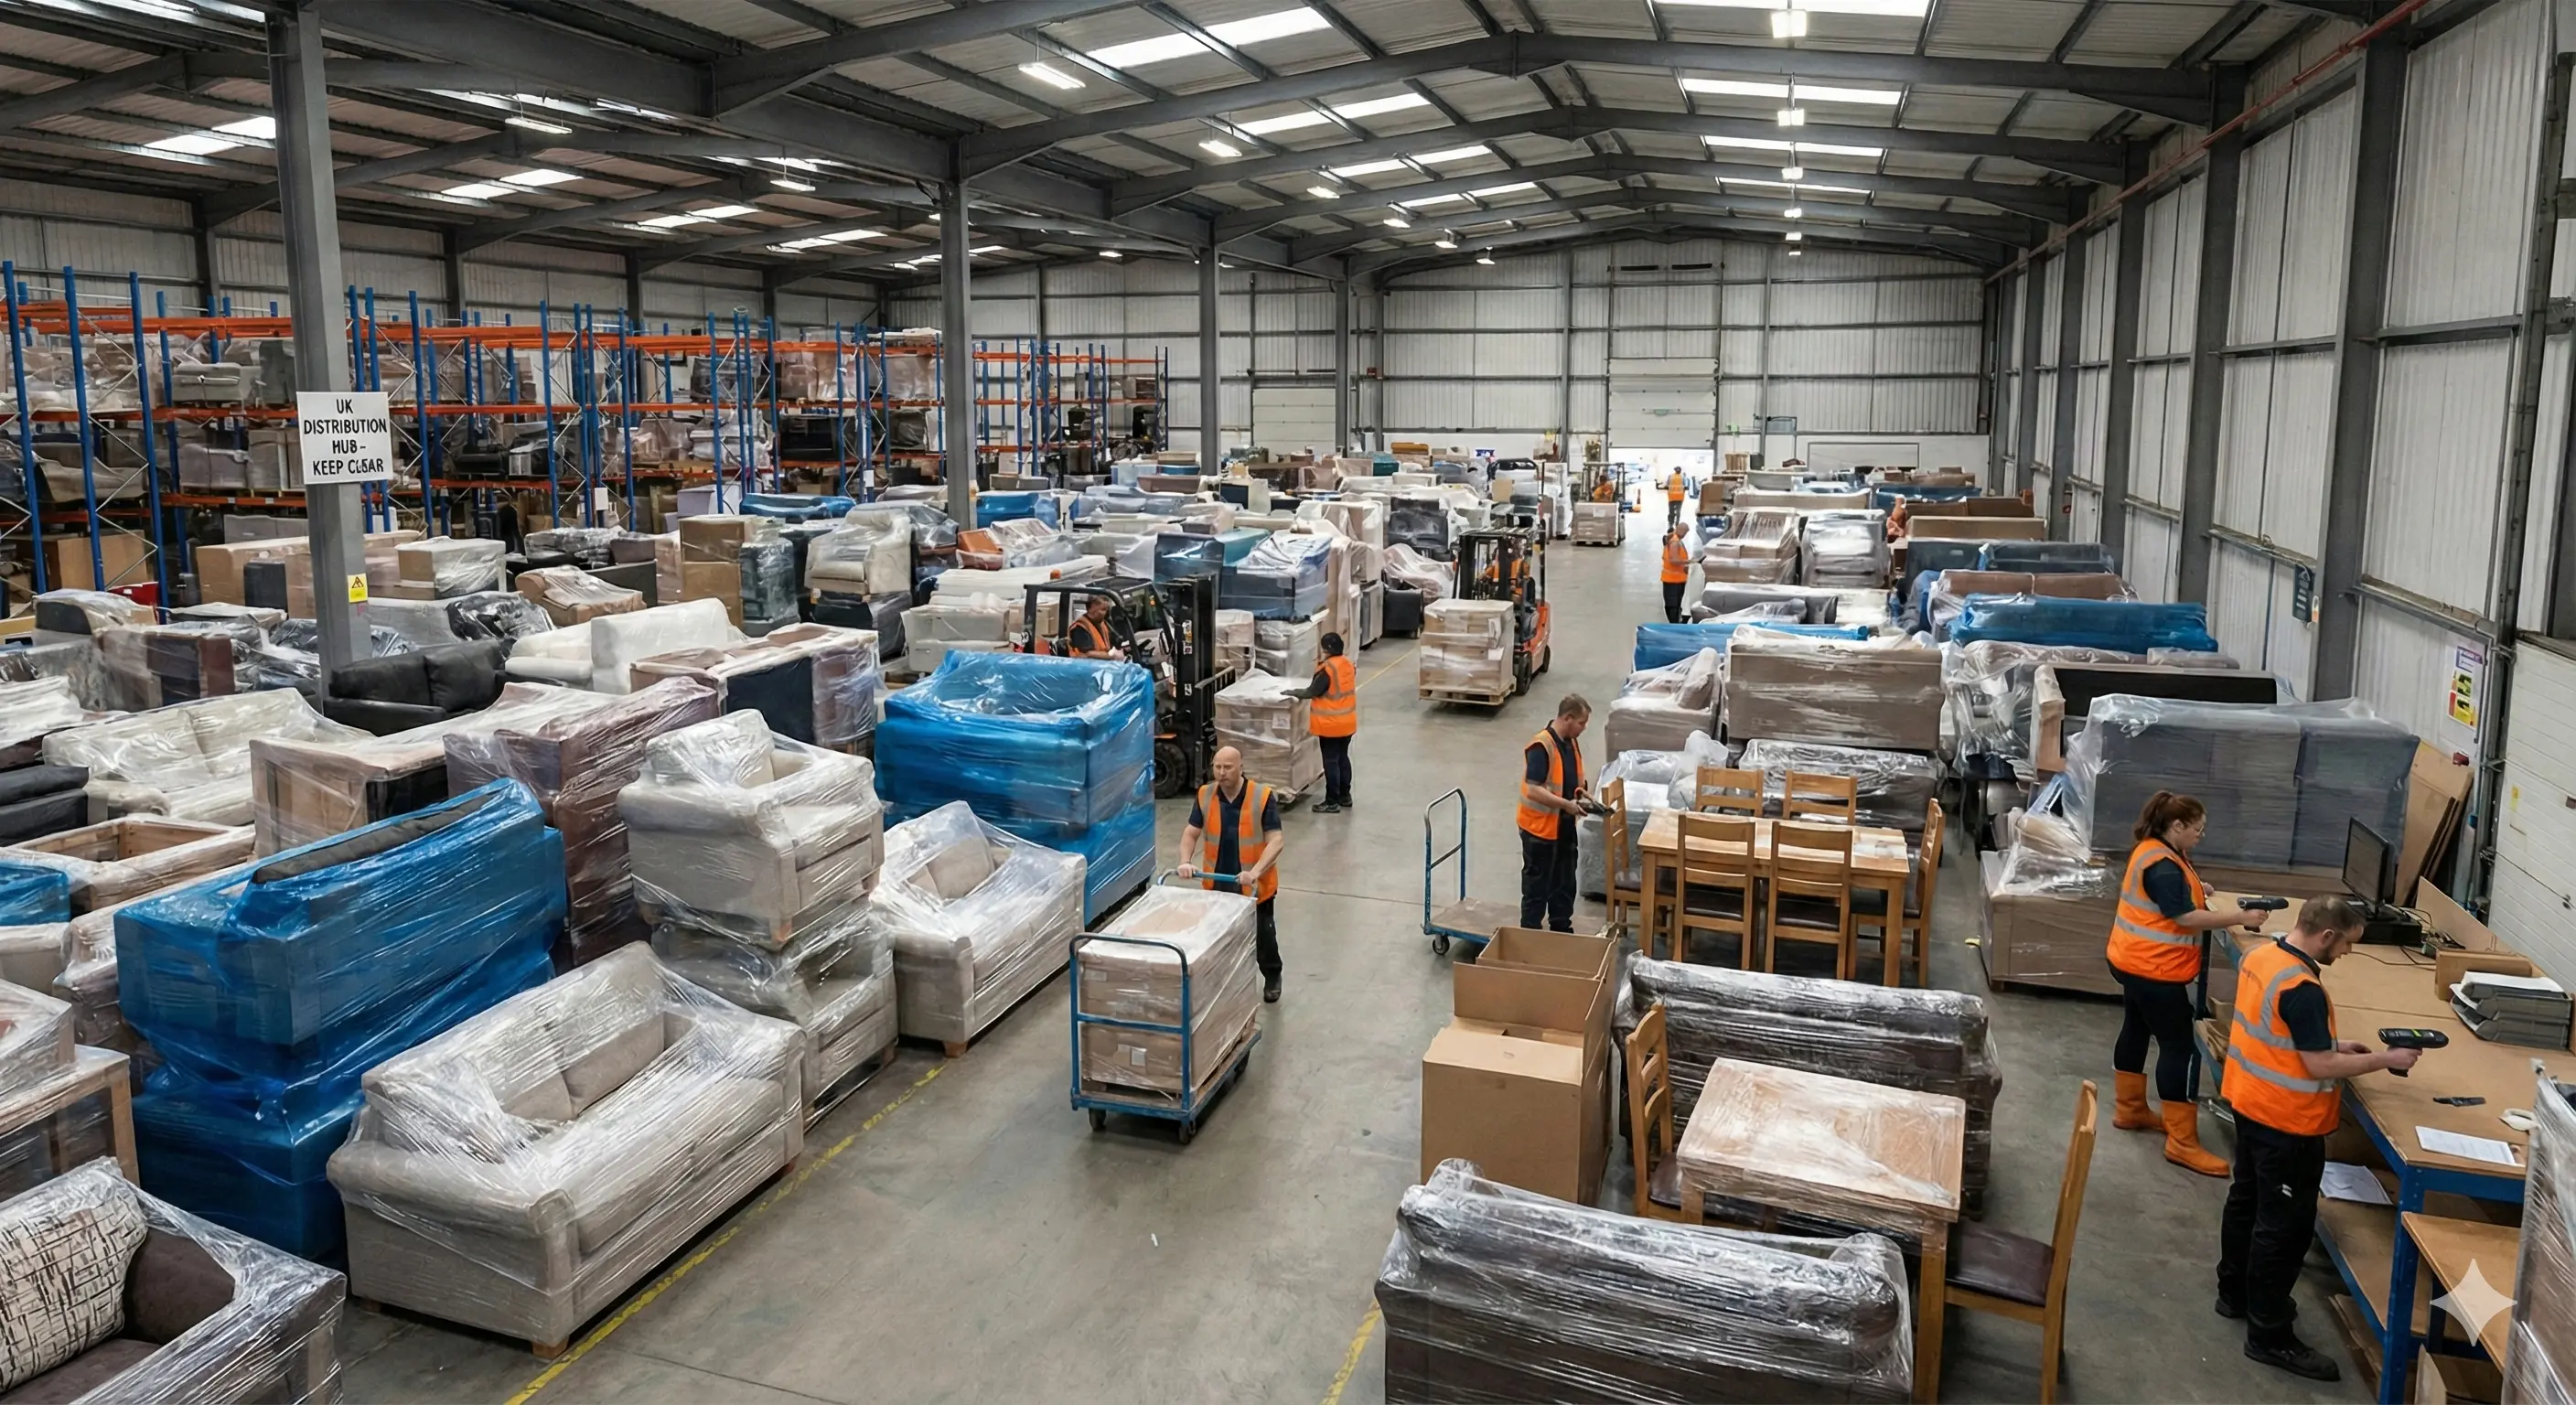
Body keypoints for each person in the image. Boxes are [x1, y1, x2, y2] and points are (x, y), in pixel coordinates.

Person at [2218, 895, 2417, 1382]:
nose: (2346, 954)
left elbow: (2279, 1034)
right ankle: (2270, 1335)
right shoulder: (2303, 987)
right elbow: (2318, 1066)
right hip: (2288, 1123)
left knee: (2246, 1200)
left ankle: (2234, 1294)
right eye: (2347, 944)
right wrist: (2384, 1060)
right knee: (2283, 1227)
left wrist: (2330, 1044)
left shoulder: (2263, 956)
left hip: (2249, 1102)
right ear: (2327, 936)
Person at [2106, 791, 2266, 1178]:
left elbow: (2174, 892)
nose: (2201, 836)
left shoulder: (2153, 849)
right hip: (2155, 971)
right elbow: (2184, 918)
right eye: (2198, 829)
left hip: (2130, 960)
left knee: (2136, 1027)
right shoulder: (2161, 864)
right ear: (2176, 826)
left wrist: (2199, 888)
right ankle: (2181, 1143)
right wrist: (2239, 917)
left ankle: (2130, 1110)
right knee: (2180, 1048)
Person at [1178, 745, 1287, 1003]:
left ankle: (1272, 975)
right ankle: (1225, 981)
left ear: (1241, 767)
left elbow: (1276, 841)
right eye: (1217, 766)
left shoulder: (1262, 797)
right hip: (1218, 885)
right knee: (1220, 937)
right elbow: (1191, 832)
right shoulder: (1206, 795)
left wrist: (1255, 872)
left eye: (1228, 767)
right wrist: (1185, 861)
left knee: (1263, 936)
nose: (1222, 772)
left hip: (1253, 887)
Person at [1517, 694, 1592, 932]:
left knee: (1564, 884)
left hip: (1564, 827)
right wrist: (1566, 804)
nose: (1584, 728)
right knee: (1537, 888)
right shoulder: (1541, 746)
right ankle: (1530, 936)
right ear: (1567, 718)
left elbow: (1570, 778)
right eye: (1581, 722)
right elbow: (1534, 790)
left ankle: (1561, 932)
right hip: (1540, 830)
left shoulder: (1570, 742)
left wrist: (1583, 795)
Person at [1288, 632, 1357, 812]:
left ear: (1326, 649)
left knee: (1331, 761)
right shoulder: (1347, 664)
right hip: (1347, 723)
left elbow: (1312, 691)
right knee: (1343, 758)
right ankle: (1345, 796)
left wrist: (1293, 692)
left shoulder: (1327, 669)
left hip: (1331, 725)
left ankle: (1331, 801)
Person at [1068, 595, 1122, 660]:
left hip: (1103, 664)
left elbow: (1116, 640)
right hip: (1087, 667)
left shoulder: (1103, 623)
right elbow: (1088, 654)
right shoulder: (1080, 628)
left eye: (1106, 610)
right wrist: (1112, 655)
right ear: (1092, 608)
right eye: (1103, 609)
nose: (1105, 613)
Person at [1659, 526, 1691, 624]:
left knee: (1676, 604)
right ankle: (1674, 624)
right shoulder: (1674, 543)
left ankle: (1675, 622)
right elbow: (1674, 560)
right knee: (1673, 605)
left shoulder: (1675, 540)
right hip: (1673, 580)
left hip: (1677, 579)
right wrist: (1690, 562)